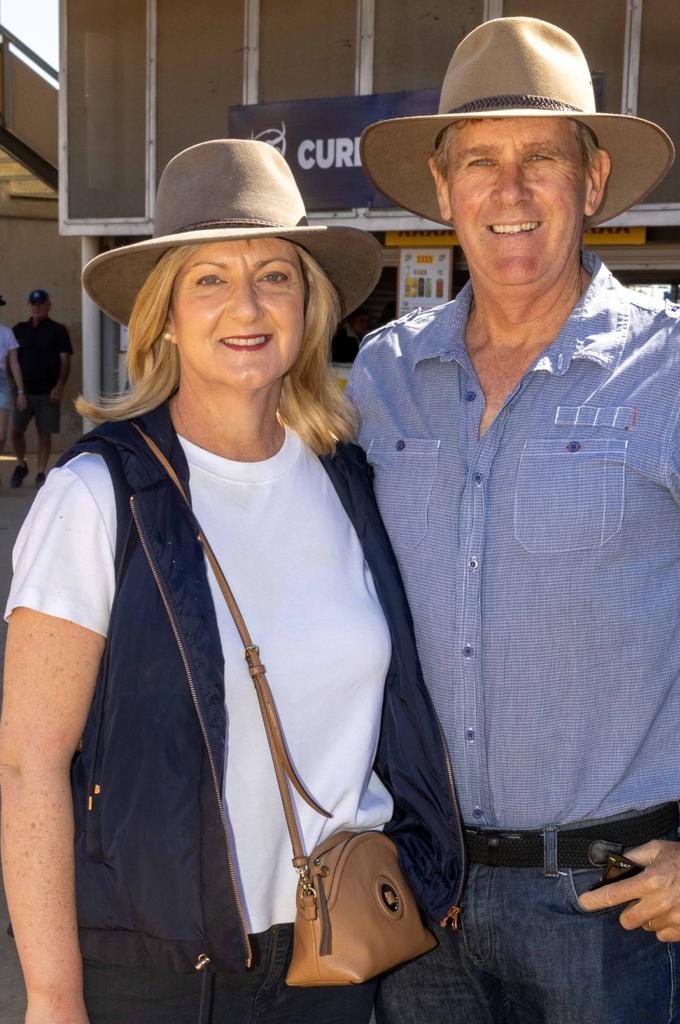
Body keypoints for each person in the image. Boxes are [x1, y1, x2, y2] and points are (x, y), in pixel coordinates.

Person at [350, 17, 680, 1024]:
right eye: (481, 161)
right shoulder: (384, 377)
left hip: (605, 912)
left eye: (542, 157)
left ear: (592, 179)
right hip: (418, 896)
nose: (511, 189)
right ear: (444, 188)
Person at [0, 139, 462, 1024]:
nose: (246, 306)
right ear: (164, 315)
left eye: (275, 276)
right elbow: (28, 764)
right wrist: (53, 998)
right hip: (164, 972)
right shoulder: (98, 496)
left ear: (309, 304)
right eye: (208, 279)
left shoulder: (347, 483)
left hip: (335, 951)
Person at [10, 288, 73, 488]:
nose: (37, 307)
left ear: (48, 306)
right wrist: (16, 388)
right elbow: (12, 361)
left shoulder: (58, 331)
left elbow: (65, 360)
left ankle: (40, 471)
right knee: (16, 431)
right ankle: (21, 463)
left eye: (41, 303)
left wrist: (59, 386)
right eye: (33, 304)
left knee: (44, 433)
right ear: (30, 306)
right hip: (23, 392)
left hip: (48, 392)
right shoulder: (19, 330)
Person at [0, 294, 27, 472]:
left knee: (1, 435)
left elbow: (14, 363)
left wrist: (20, 391)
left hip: (1, 381)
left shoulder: (6, 333)